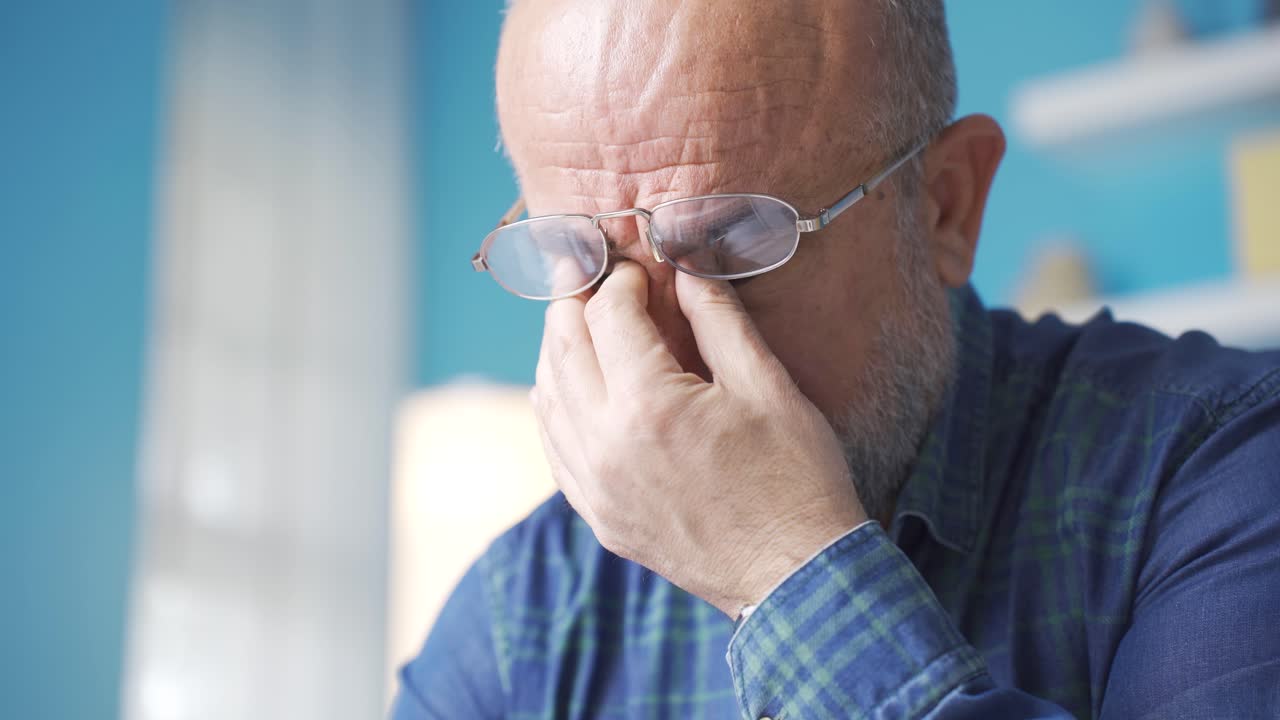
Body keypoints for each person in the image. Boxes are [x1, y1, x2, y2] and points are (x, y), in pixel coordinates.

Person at [395, 1, 1280, 717]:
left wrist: (784, 567)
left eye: (731, 243)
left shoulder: (1224, 473)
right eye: (578, 256)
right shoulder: (523, 618)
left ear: (946, 207)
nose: (650, 371)